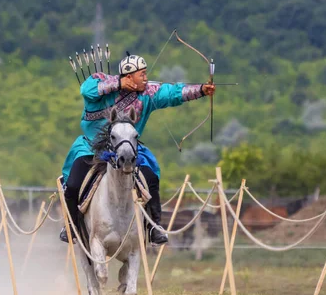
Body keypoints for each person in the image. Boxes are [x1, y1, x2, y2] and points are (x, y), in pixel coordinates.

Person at [60, 53, 215, 245]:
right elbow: (86, 90)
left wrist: (201, 90)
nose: (145, 77)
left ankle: (154, 227)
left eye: (145, 73)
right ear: (129, 76)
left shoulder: (148, 93)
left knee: (151, 178)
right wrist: (118, 85)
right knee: (74, 183)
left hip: (128, 149)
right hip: (91, 148)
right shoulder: (102, 82)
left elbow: (173, 93)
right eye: (141, 74)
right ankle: (70, 226)